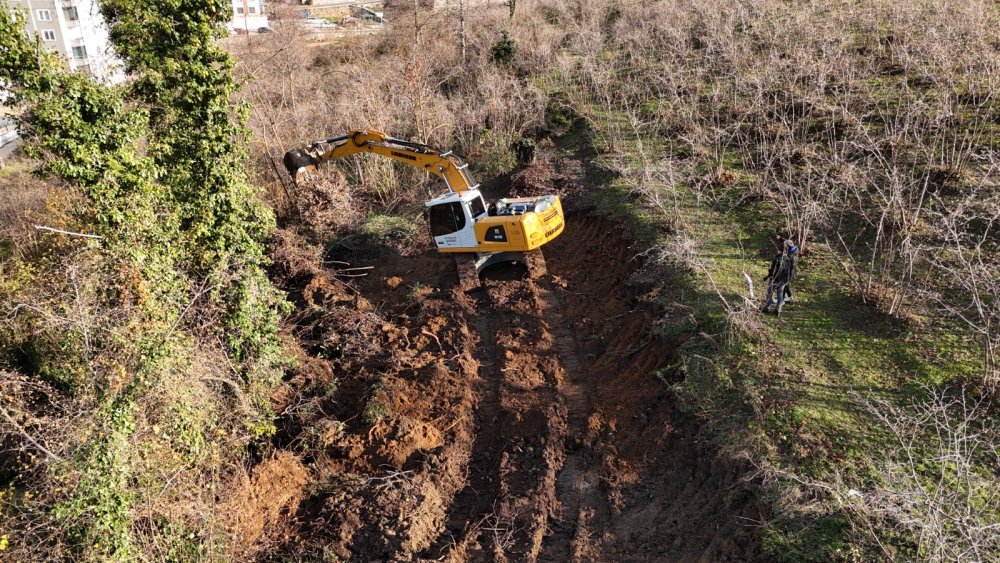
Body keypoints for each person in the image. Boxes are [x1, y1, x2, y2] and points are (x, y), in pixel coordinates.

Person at [762, 250, 793, 316]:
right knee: (780, 295)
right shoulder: (788, 260)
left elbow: (772, 272)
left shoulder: (777, 260)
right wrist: (787, 280)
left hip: (775, 280)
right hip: (783, 281)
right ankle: (778, 310)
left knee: (769, 293)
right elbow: (790, 271)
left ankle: (766, 308)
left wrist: (769, 277)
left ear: (779, 251)